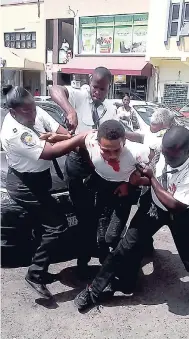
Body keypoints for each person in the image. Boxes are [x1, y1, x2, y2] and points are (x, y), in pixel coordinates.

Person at [74, 125, 189, 311]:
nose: (167, 159)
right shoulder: (163, 146)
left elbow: (175, 205)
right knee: (124, 249)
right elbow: (139, 136)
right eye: (165, 154)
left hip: (181, 213)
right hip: (153, 206)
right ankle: (93, 291)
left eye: (172, 157)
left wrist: (150, 178)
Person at [0, 86, 89, 300]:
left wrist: (69, 135)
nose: (33, 114)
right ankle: (35, 274)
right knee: (56, 226)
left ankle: (40, 266)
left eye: (33, 108)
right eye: (27, 112)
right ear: (13, 112)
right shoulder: (14, 132)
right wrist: (80, 138)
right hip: (23, 184)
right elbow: (50, 152)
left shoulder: (34, 110)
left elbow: (59, 131)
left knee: (41, 225)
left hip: (40, 179)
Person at [49, 67, 116, 277]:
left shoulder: (109, 108)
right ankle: (82, 261)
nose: (97, 92)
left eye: (103, 89)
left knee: (101, 213)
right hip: (78, 162)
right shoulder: (78, 95)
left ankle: (99, 254)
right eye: (95, 87)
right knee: (83, 215)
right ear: (90, 81)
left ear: (108, 88)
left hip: (98, 165)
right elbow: (54, 88)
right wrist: (70, 110)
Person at [83, 120, 150, 262]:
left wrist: (131, 180)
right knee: (101, 235)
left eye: (117, 150)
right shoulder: (91, 142)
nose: (112, 156)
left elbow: (152, 157)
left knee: (111, 235)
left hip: (123, 191)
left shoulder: (138, 152)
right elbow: (79, 146)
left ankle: (122, 258)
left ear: (124, 142)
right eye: (106, 150)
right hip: (101, 187)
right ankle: (106, 263)